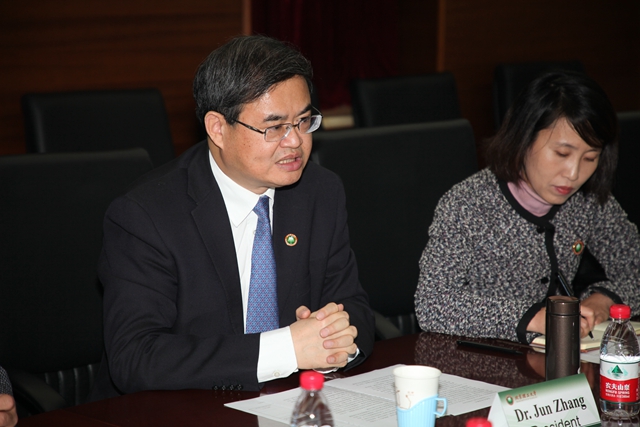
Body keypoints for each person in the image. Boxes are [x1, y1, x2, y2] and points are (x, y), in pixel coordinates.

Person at [89, 35, 374, 400]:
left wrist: (336, 343)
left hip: (289, 404)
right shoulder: (146, 216)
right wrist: (285, 349)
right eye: (274, 127)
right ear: (218, 128)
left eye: (304, 121)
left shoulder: (320, 192)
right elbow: (135, 357)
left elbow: (354, 309)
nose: (295, 141)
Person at [414, 71, 640, 344]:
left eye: (590, 158)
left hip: (559, 357)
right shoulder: (468, 205)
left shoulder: (588, 200)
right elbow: (433, 303)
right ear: (524, 138)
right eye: (562, 154)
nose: (573, 173)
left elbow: (634, 267)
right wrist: (535, 319)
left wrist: (605, 299)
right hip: (481, 357)